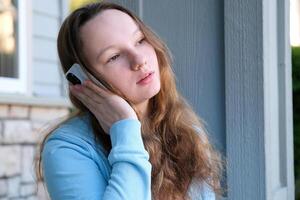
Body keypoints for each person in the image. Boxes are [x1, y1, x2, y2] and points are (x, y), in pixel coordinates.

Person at [36, 2, 223, 200]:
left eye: (140, 40)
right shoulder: (67, 149)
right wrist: (124, 127)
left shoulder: (184, 127)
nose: (139, 60)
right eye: (114, 56)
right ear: (82, 79)